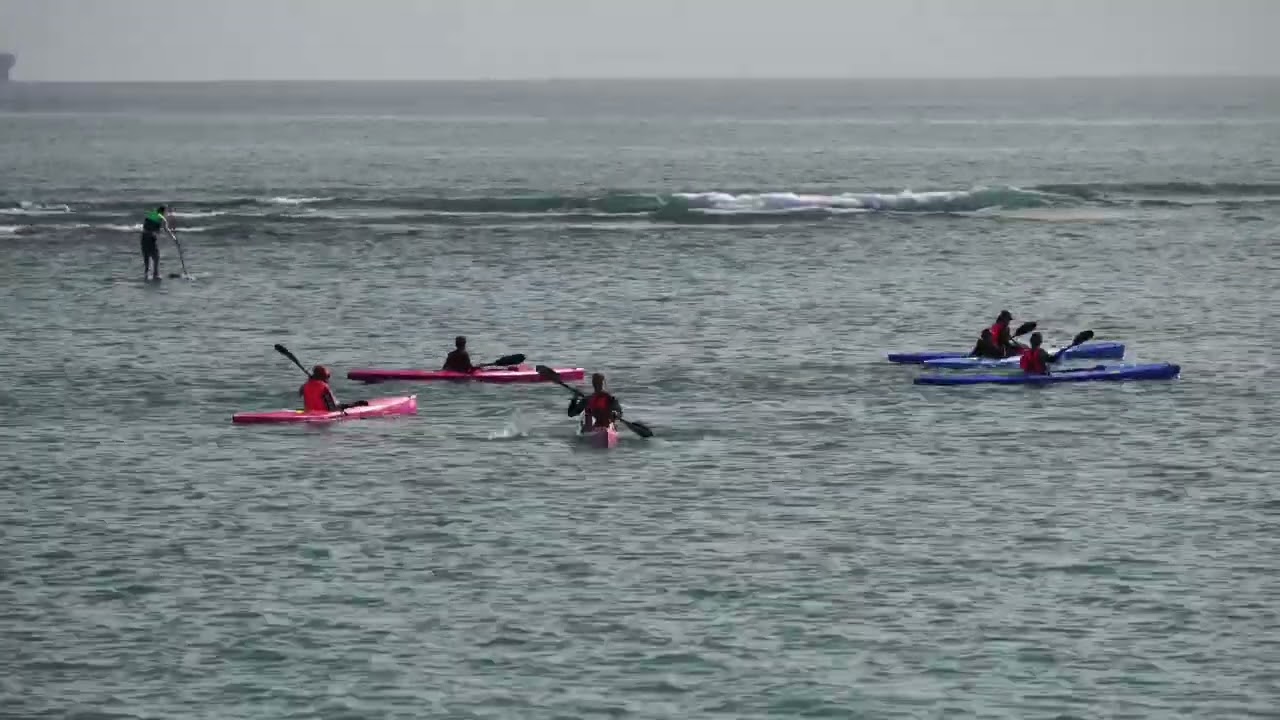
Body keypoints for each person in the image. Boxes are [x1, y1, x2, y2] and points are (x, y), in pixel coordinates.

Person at [140, 205, 172, 280]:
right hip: (151, 239)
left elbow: (146, 227)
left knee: (146, 257)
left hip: (143, 238)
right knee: (156, 257)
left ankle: (146, 274)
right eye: (166, 212)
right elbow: (166, 229)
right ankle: (155, 274)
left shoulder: (151, 215)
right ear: (164, 211)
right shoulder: (161, 218)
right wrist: (173, 237)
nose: (166, 213)